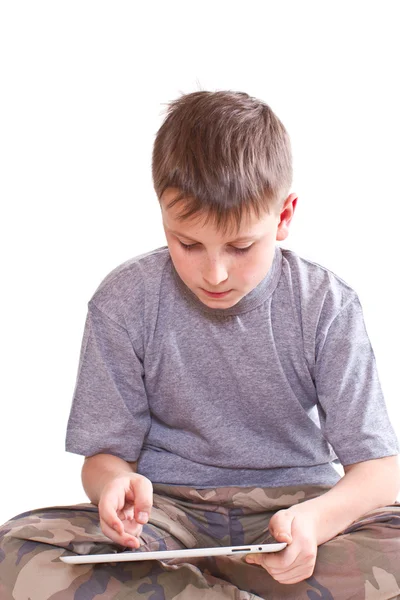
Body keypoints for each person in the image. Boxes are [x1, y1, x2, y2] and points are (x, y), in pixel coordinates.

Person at [1, 90, 400, 600]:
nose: (214, 273)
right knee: (17, 552)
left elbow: (378, 471)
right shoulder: (124, 301)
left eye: (240, 246)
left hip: (291, 515)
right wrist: (114, 487)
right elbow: (103, 459)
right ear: (163, 214)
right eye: (187, 243)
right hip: (165, 518)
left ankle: (191, 589)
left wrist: (315, 522)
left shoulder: (326, 303)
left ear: (283, 216)